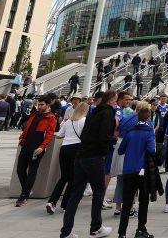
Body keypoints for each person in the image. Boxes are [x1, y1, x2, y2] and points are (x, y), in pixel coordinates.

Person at [60, 90, 117, 238]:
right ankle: (96, 227)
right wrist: (108, 145)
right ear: (111, 100)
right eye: (115, 100)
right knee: (98, 192)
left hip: (81, 155)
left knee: (75, 194)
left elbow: (86, 134)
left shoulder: (93, 112)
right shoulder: (108, 113)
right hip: (94, 156)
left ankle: (66, 231)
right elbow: (104, 135)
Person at [116, 101, 157, 238]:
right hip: (142, 170)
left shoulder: (130, 132)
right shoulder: (149, 132)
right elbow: (152, 150)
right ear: (148, 117)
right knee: (143, 200)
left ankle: (122, 233)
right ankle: (141, 229)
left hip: (128, 170)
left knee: (127, 202)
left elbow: (121, 150)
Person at [16, 95, 58, 206]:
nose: (39, 106)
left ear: (48, 105)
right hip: (26, 145)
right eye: (38, 104)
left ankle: (24, 195)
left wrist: (42, 147)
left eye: (42, 104)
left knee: (32, 171)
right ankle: (27, 190)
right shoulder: (34, 114)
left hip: (37, 148)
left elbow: (49, 135)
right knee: (20, 169)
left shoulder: (51, 118)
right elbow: (27, 128)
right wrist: (22, 137)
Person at [48, 102, 89, 214]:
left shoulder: (68, 121)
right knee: (74, 177)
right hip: (76, 149)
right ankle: (66, 202)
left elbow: (59, 135)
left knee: (64, 177)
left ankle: (52, 201)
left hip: (64, 148)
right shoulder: (84, 121)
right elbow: (85, 136)